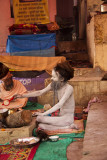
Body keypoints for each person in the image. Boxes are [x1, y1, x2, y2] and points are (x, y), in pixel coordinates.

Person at [16, 61, 77, 130]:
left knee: (39, 119)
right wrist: (22, 96)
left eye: (54, 77)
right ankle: (65, 127)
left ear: (62, 79)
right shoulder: (54, 84)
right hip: (60, 117)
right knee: (41, 125)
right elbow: (40, 92)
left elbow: (59, 104)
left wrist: (43, 114)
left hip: (67, 119)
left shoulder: (69, 88)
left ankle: (67, 126)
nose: (51, 78)